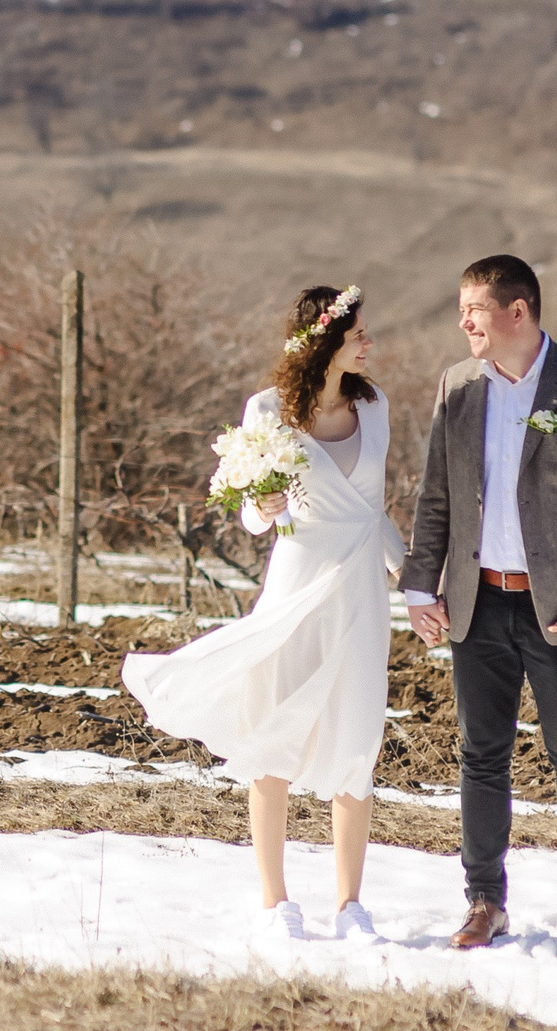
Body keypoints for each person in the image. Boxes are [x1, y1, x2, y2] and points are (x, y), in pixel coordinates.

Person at [122, 285, 406, 945]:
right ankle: (277, 902)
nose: (369, 342)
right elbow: (252, 509)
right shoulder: (267, 410)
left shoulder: (377, 407)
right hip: (297, 583)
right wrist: (264, 511)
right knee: (274, 736)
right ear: (326, 340)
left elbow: (374, 512)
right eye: (359, 332)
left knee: (357, 739)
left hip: (362, 592)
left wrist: (414, 581)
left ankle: (351, 905)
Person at [401, 254, 557, 958]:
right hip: (476, 603)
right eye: (462, 310)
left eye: (474, 308)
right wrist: (420, 584)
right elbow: (435, 494)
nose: (464, 322)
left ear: (518, 312)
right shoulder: (458, 386)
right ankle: (484, 902)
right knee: (480, 755)